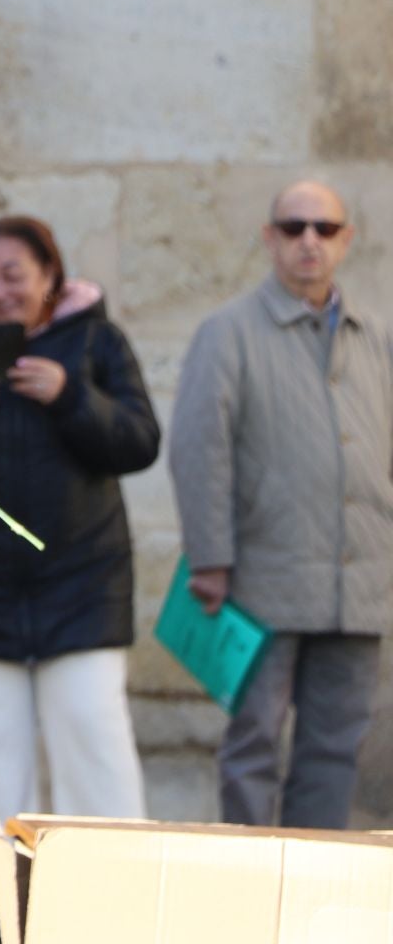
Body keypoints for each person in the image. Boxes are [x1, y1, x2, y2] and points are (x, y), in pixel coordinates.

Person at [0, 216, 159, 943]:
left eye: (14, 274)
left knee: (96, 753)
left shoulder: (96, 341)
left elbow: (139, 441)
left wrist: (72, 395)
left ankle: (114, 913)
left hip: (82, 586)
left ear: (51, 275)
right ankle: (0, 916)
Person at [170, 181, 393, 831]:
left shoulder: (376, 337)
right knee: (256, 741)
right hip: (263, 576)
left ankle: (315, 889)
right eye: (294, 227)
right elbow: (199, 448)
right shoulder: (228, 332)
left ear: (346, 241)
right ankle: (247, 882)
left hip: (361, 578)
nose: (308, 242)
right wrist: (210, 556)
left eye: (324, 229)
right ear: (270, 238)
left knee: (336, 744)